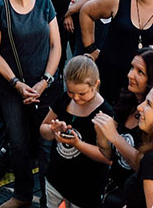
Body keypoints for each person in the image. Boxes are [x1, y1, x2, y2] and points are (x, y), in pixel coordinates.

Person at [0, 0, 62, 208]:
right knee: (18, 143)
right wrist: (17, 83)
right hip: (12, 88)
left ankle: (50, 199)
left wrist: (45, 81)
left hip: (44, 86)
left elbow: (56, 46)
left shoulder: (45, 3)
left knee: (45, 144)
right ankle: (22, 195)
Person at [39, 56, 114, 208]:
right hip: (56, 180)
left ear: (96, 84)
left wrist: (77, 144)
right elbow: (43, 129)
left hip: (86, 189)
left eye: (82, 93)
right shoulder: (64, 100)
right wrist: (52, 130)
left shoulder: (105, 113)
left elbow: (107, 157)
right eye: (71, 92)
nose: (76, 98)